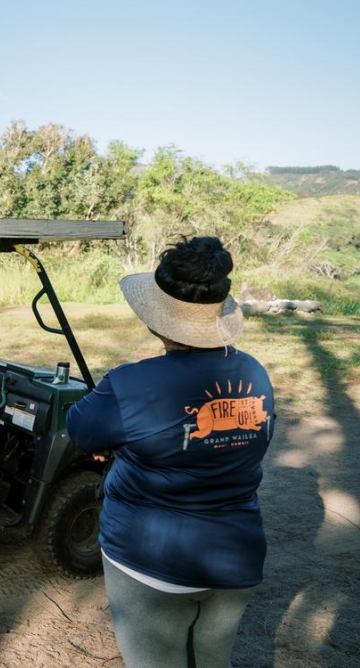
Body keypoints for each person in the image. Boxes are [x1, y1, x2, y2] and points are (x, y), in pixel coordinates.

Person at [66, 236, 275, 668]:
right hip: (236, 557)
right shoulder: (254, 371)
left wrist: (125, 446)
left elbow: (81, 431)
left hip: (150, 560)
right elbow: (254, 442)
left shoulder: (128, 384)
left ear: (156, 320)